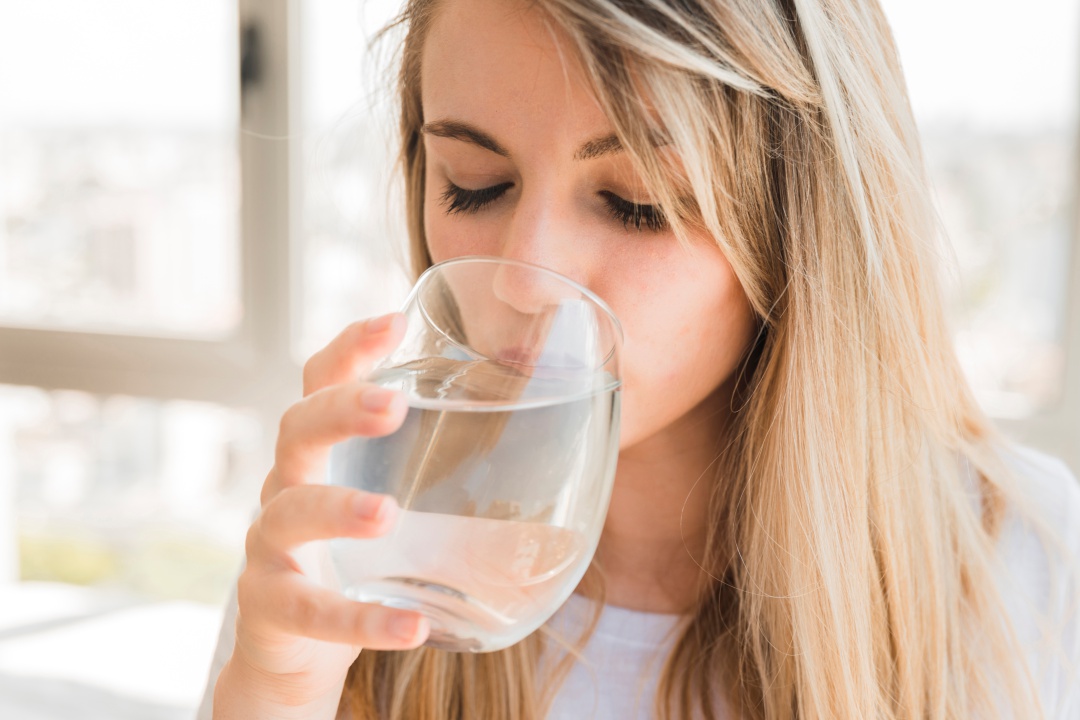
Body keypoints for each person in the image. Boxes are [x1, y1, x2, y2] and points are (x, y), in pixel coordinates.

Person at [202, 0, 1080, 718]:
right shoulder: (363, 551)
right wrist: (275, 696)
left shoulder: (1030, 568)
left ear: (800, 235)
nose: (528, 278)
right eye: (473, 183)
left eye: (638, 204)